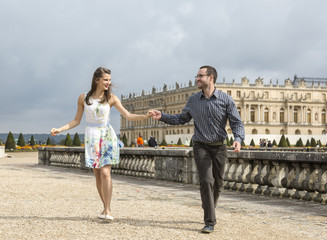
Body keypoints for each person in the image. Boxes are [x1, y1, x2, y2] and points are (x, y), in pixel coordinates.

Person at [150, 65, 245, 234]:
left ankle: (209, 205)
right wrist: (162, 116)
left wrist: (238, 139)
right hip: (200, 145)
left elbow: (236, 122)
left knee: (218, 183)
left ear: (211, 78)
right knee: (207, 181)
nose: (197, 79)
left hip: (219, 147)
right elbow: (181, 118)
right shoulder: (193, 100)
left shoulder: (226, 100)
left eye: (200, 76)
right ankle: (210, 221)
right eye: (197, 76)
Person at [50, 67, 152, 221]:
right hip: (91, 137)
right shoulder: (83, 98)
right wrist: (60, 129)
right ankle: (104, 206)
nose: (108, 83)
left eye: (109, 80)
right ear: (96, 80)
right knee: (97, 174)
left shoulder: (111, 98)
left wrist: (145, 116)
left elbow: (128, 115)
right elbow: (76, 120)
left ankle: (108, 209)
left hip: (106, 136)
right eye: (106, 80)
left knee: (105, 172)